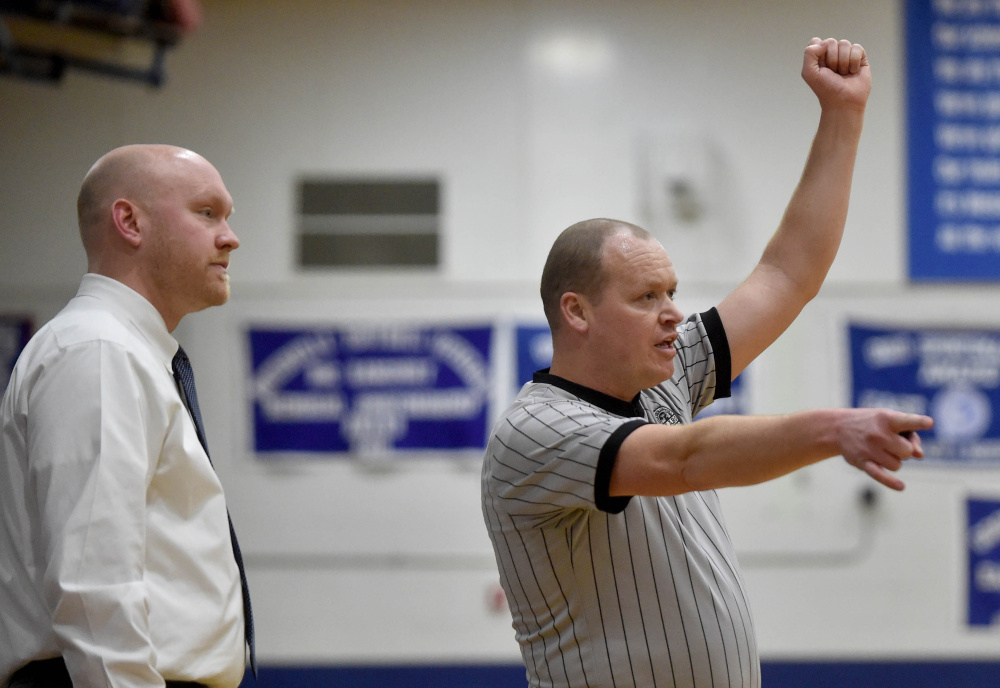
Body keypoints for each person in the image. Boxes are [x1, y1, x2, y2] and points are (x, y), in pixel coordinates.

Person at [481, 38, 934, 688]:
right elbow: (682, 460)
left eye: (672, 291)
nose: (672, 312)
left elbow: (789, 271)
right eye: (646, 297)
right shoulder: (534, 433)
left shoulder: (659, 389)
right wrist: (833, 429)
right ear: (576, 312)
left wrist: (843, 115)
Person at [0, 145, 254, 687]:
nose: (230, 236)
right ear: (129, 222)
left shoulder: (124, 351)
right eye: (207, 213)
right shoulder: (97, 351)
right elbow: (93, 589)